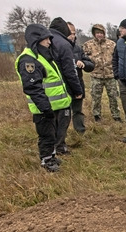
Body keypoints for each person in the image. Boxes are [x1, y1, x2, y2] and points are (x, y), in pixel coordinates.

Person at [15, 24, 72, 172]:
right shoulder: (29, 60)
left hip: (50, 105)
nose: (49, 42)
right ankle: (46, 161)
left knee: (51, 134)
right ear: (36, 39)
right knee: (46, 135)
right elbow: (33, 87)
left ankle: (51, 156)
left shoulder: (41, 56)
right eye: (46, 39)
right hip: (43, 107)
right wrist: (45, 108)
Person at [48, 17, 83, 155]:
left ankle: (51, 145)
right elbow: (70, 70)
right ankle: (59, 147)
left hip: (46, 89)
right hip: (62, 88)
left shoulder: (43, 41)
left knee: (50, 118)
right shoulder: (64, 44)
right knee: (63, 117)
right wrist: (77, 90)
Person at [82, 23, 122, 123]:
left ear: (104, 33)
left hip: (110, 75)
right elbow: (84, 58)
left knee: (113, 97)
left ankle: (116, 115)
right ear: (94, 34)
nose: (99, 35)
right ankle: (96, 115)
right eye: (97, 33)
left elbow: (117, 58)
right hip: (96, 75)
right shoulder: (88, 45)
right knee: (96, 97)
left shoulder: (112, 44)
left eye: (101, 33)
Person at [67, 22, 94, 134]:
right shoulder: (56, 48)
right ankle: (61, 135)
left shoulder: (78, 48)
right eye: (70, 33)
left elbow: (90, 64)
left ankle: (80, 133)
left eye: (74, 33)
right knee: (64, 112)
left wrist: (83, 63)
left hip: (77, 84)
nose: (72, 36)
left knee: (77, 111)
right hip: (64, 86)